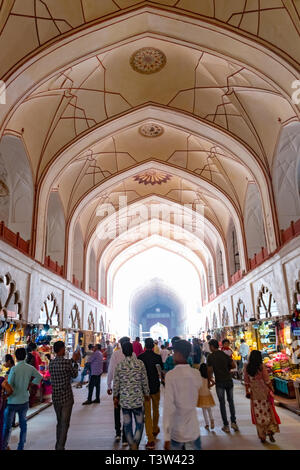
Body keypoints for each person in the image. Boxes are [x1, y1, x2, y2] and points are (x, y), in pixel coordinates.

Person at [163, 340, 202, 450]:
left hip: (177, 432)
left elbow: (168, 407)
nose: (173, 355)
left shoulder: (171, 376)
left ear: (179, 354)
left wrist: (166, 436)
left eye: (174, 353)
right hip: (193, 430)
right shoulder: (196, 374)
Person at [2, 347, 42, 450]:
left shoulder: (14, 369)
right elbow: (39, 376)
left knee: (7, 426)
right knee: (23, 425)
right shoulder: (29, 368)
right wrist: (31, 384)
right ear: (25, 356)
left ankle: (4, 446)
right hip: (24, 400)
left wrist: (5, 394)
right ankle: (21, 446)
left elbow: (9, 385)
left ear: (15, 357)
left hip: (12, 401)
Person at [113, 341, 150, 450]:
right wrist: (146, 393)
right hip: (138, 399)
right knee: (139, 423)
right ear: (133, 351)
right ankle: (135, 443)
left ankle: (131, 444)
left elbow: (116, 383)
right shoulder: (140, 364)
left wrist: (115, 397)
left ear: (123, 352)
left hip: (125, 401)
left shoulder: (119, 366)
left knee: (127, 424)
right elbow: (144, 380)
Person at [49, 340, 80, 450]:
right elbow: (75, 374)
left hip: (56, 397)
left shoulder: (51, 363)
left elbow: (63, 366)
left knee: (59, 422)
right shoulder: (67, 363)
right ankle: (60, 447)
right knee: (65, 423)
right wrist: (75, 362)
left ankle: (58, 445)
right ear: (62, 350)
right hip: (66, 397)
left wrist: (71, 360)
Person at [244, 350, 280, 443]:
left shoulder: (247, 367)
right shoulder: (261, 366)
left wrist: (247, 391)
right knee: (268, 411)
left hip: (254, 393)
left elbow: (246, 381)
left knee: (258, 413)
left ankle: (262, 435)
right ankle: (270, 431)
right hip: (264, 392)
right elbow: (267, 380)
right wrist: (271, 388)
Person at [107, 336, 136, 445]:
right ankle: (125, 436)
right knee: (127, 411)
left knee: (117, 409)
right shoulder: (133, 355)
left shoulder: (116, 354)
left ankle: (118, 432)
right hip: (129, 388)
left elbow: (111, 370)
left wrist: (109, 385)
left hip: (118, 387)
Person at [207, 339, 239, 433]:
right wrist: (226, 368)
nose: (209, 348)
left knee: (222, 403)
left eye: (210, 346)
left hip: (220, 382)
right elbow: (233, 365)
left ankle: (226, 425)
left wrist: (210, 380)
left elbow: (209, 370)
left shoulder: (211, 356)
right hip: (229, 381)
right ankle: (234, 422)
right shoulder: (224, 354)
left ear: (212, 347)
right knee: (231, 402)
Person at [138, 338, 164, 449]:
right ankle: (154, 429)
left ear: (145, 346)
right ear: (153, 346)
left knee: (147, 413)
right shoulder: (157, 357)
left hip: (145, 389)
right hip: (155, 387)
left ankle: (150, 438)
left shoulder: (140, 358)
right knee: (156, 409)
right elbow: (161, 373)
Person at [197, 363, 215, 430]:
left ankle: (207, 424)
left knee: (204, 410)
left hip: (201, 394)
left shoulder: (198, 377)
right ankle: (212, 420)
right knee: (209, 409)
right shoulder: (207, 377)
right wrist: (208, 386)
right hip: (207, 393)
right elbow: (213, 383)